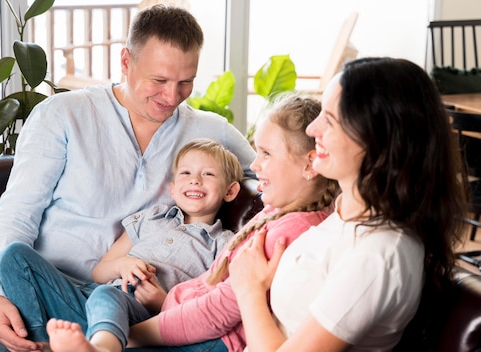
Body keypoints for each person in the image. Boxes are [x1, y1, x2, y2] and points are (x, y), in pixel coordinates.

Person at [0, 5, 256, 352]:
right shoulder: (63, 114)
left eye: (185, 82)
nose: (172, 97)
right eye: (159, 80)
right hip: (35, 290)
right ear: (126, 61)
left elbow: (275, 175)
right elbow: (18, 210)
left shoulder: (210, 130)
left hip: (126, 309)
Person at [45, 93, 340, 352]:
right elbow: (209, 284)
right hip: (167, 316)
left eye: (265, 153)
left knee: (104, 303)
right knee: (23, 264)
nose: (254, 165)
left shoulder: (290, 232)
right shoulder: (274, 213)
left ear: (309, 164)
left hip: (201, 339)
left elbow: (219, 311)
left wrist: (126, 337)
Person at [229, 57, 469, 351]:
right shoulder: (345, 211)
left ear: (377, 141)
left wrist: (249, 290)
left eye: (329, 120)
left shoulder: (379, 254)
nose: (312, 129)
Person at [0, 138, 242, 350]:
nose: (195, 181)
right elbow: (99, 272)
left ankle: (102, 348)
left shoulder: (224, 244)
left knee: (107, 294)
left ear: (230, 191)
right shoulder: (152, 216)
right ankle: (45, 343)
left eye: (208, 174)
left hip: (142, 314)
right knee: (14, 255)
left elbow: (210, 305)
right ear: (173, 189)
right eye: (186, 173)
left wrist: (163, 302)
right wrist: (122, 265)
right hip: (93, 299)